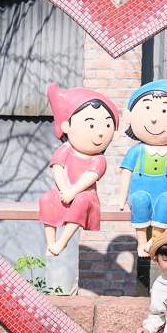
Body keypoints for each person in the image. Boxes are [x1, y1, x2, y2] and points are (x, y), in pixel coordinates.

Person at [114, 77, 167, 257]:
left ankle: (154, 240)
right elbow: (126, 173)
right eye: (147, 108)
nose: (153, 118)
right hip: (139, 190)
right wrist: (121, 197)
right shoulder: (137, 150)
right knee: (139, 201)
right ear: (129, 117)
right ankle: (142, 243)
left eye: (163, 111)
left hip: (166, 191)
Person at [39, 83, 120, 257]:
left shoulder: (99, 159)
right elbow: (57, 168)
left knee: (82, 200)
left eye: (106, 127)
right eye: (91, 125)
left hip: (86, 195)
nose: (99, 133)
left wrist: (73, 191)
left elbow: (90, 177)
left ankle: (63, 241)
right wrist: (64, 190)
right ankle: (51, 242)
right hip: (62, 191)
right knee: (47, 199)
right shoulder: (66, 149)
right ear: (66, 127)